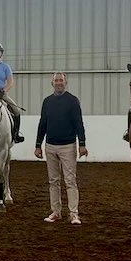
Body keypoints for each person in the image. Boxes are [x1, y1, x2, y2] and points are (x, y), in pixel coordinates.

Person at [34, 72, 87, 225]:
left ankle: (73, 214)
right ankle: (56, 212)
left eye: (61, 80)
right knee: (53, 181)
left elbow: (79, 123)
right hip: (50, 146)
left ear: (65, 82)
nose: (58, 83)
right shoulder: (47, 102)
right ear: (52, 83)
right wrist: (38, 145)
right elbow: (42, 124)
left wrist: (82, 144)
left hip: (68, 146)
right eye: (56, 80)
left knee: (70, 181)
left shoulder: (72, 101)